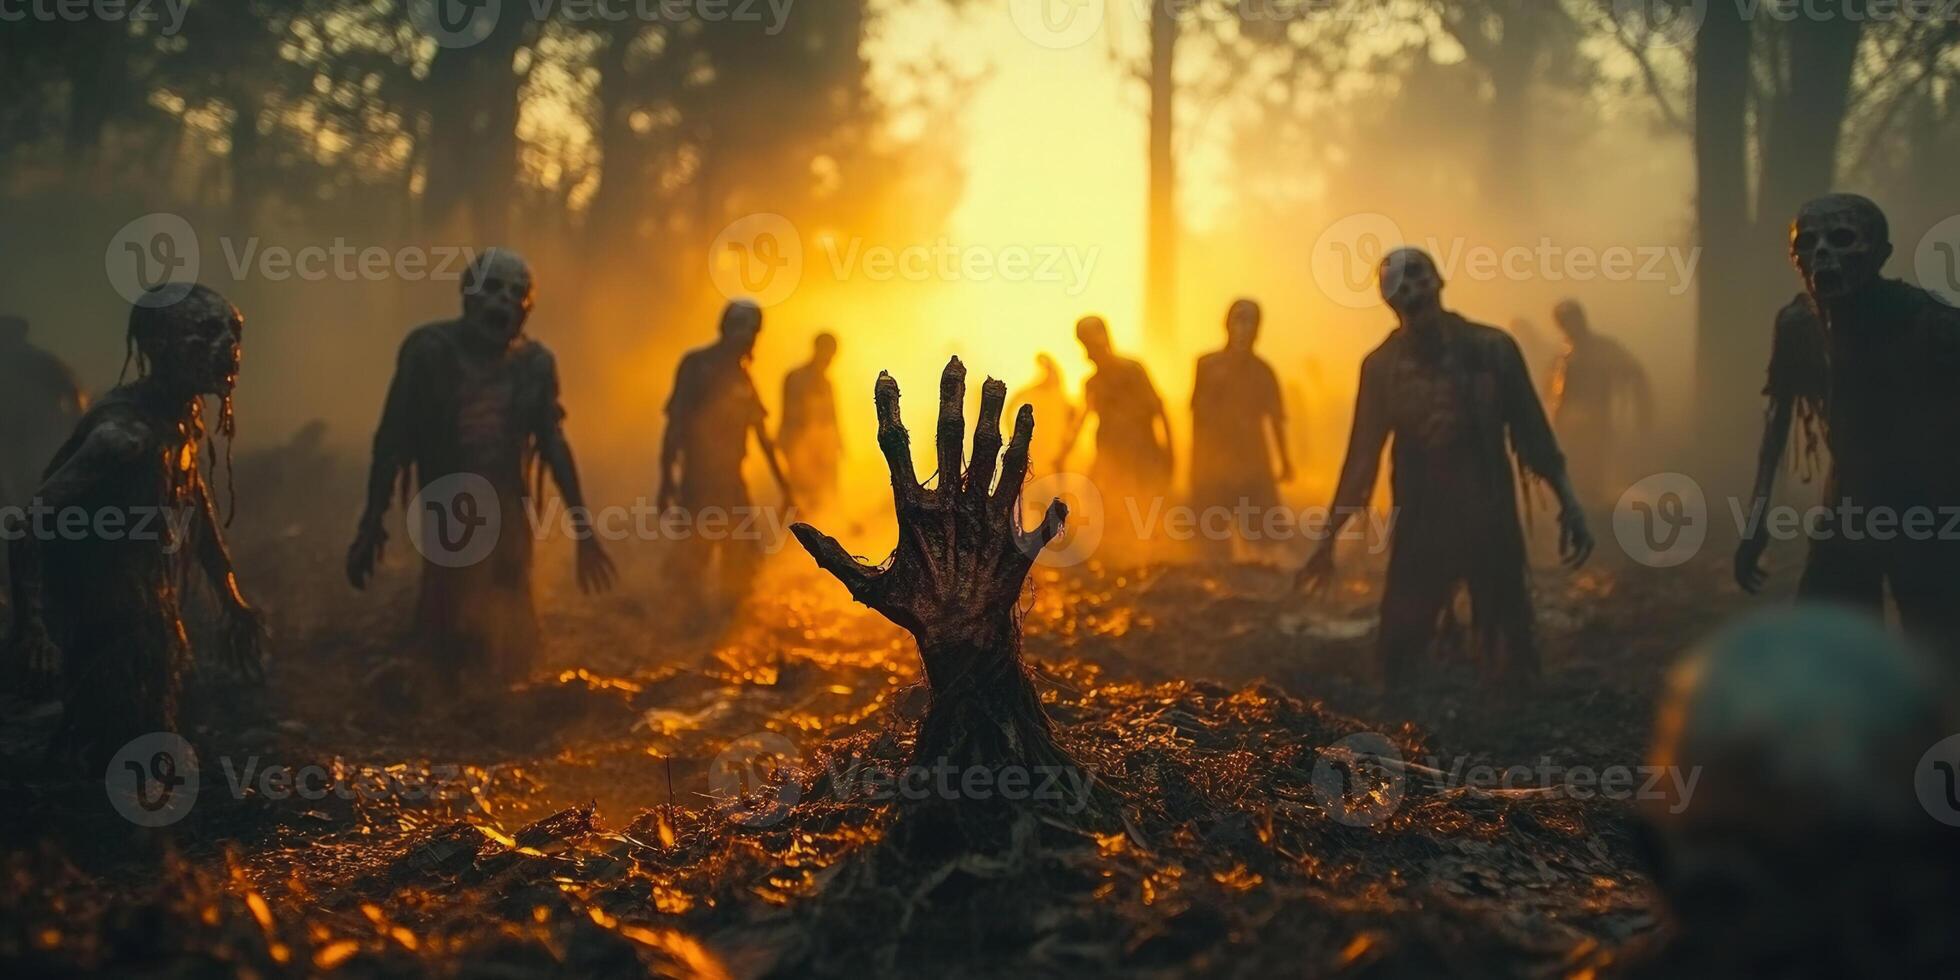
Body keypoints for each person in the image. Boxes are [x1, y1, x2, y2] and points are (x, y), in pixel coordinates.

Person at [1297, 248, 1593, 687]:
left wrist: (1570, 503)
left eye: (1417, 276)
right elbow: (1361, 458)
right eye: (1397, 284)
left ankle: (1508, 714)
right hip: (1422, 520)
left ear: (1438, 281)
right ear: (1386, 299)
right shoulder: (1382, 367)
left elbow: (1533, 433)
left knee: (1507, 639)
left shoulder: (1493, 350)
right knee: (1400, 648)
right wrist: (1327, 542)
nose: (1411, 290)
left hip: (1489, 513)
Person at [6, 285, 264, 770]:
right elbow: (27, 522)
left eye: (235, 332)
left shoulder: (181, 416)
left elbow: (194, 503)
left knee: (153, 739)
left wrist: (230, 597)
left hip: (151, 614)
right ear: (159, 344)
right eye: (208, 331)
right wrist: (32, 628)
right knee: (114, 747)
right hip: (106, 624)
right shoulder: (122, 435)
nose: (229, 347)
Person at [347, 248, 615, 687]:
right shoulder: (428, 351)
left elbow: (552, 443)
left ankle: (507, 706)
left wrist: (584, 532)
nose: (504, 301)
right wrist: (371, 522)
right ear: (468, 296)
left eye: (517, 293)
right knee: (447, 624)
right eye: (492, 288)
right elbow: (392, 438)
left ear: (527, 310)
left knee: (514, 625)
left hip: (509, 508)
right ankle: (436, 702)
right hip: (448, 506)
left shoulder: (534, 364)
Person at [1734, 194, 1960, 659]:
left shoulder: (1931, 324)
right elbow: (1777, 422)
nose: (1821, 255)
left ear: (1879, 254)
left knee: (1936, 650)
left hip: (1928, 507)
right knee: (1832, 652)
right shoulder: (1799, 325)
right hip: (1848, 507)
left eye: (1841, 239)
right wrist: (1756, 520)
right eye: (1806, 244)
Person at [658, 299, 794, 607]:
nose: (751, 342)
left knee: (742, 560)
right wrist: (666, 480)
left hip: (731, 482)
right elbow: (675, 426)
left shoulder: (741, 376)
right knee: (692, 559)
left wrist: (786, 488)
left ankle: (721, 620)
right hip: (699, 482)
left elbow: (762, 436)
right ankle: (681, 620)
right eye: (749, 334)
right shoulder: (697, 367)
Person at [1053, 317, 1172, 551]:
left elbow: (1159, 409)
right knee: (1103, 502)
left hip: (1141, 455)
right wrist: (1063, 452)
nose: (1091, 350)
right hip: (1110, 455)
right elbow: (1081, 419)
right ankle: (1115, 554)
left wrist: (1170, 451)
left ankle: (1147, 554)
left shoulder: (1133, 371)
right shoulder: (1093, 383)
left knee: (1143, 508)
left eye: (1092, 343)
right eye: (1086, 343)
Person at [1189, 299, 1293, 562]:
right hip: (1216, 460)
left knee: (1263, 535)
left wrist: (1285, 461)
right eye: (1238, 320)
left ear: (1258, 330)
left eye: (1250, 323)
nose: (1243, 329)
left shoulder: (1263, 372)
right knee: (1210, 532)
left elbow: (1276, 419)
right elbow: (1198, 419)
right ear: (1227, 324)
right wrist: (1196, 464)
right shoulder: (1207, 366)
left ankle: (1259, 571)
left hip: (1252, 459)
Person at [1545, 299, 1654, 508]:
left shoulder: (1604, 349)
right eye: (1562, 322)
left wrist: (1642, 411)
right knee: (1572, 471)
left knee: (1591, 473)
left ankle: (1593, 508)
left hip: (1595, 422)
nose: (1566, 327)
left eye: (1569, 320)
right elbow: (1553, 390)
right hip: (1567, 424)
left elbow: (1635, 374)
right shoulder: (1563, 352)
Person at [0, 315, 86, 506]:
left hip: (37, 438)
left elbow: (72, 393)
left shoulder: (41, 363)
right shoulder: (42, 361)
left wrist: (74, 424)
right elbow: (72, 393)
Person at [777, 332, 843, 514]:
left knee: (825, 497)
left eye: (832, 355)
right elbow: (789, 415)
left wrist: (838, 444)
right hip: (800, 450)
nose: (829, 360)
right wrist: (791, 448)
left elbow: (832, 416)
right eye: (827, 353)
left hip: (823, 450)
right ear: (817, 350)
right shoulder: (796, 379)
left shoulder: (827, 384)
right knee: (799, 499)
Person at [1007, 352, 1078, 485]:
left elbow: (1072, 415)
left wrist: (1067, 440)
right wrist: (1015, 433)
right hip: (1038, 445)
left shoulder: (1059, 395)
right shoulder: (1035, 391)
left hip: (1055, 448)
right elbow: (1010, 407)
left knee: (1054, 483)